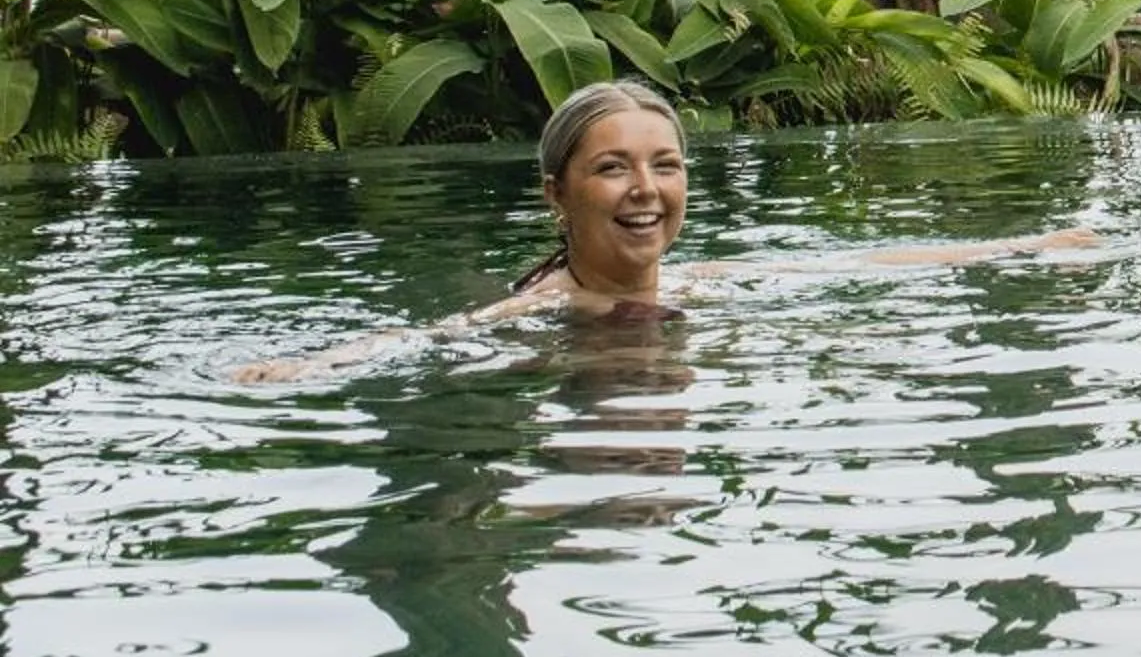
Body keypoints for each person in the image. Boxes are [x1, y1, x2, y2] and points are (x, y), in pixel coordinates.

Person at [236, 79, 1093, 381]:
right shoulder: (544, 312)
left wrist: (1025, 247)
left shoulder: (693, 283)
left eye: (666, 164)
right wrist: (307, 364)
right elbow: (431, 338)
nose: (647, 189)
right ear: (556, 195)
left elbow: (870, 259)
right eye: (612, 168)